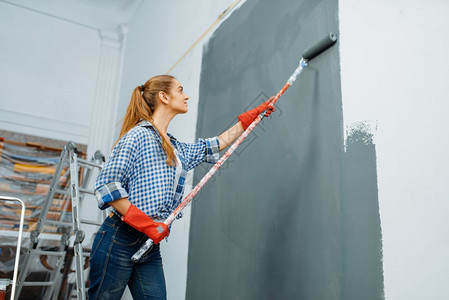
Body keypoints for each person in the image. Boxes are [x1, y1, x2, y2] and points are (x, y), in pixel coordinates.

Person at [88, 75, 274, 299]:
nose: (186, 96)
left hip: (148, 246)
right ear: (164, 97)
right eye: (180, 90)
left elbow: (216, 145)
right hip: (118, 240)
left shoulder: (176, 149)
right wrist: (146, 224)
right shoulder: (138, 135)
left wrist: (250, 119)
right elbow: (107, 186)